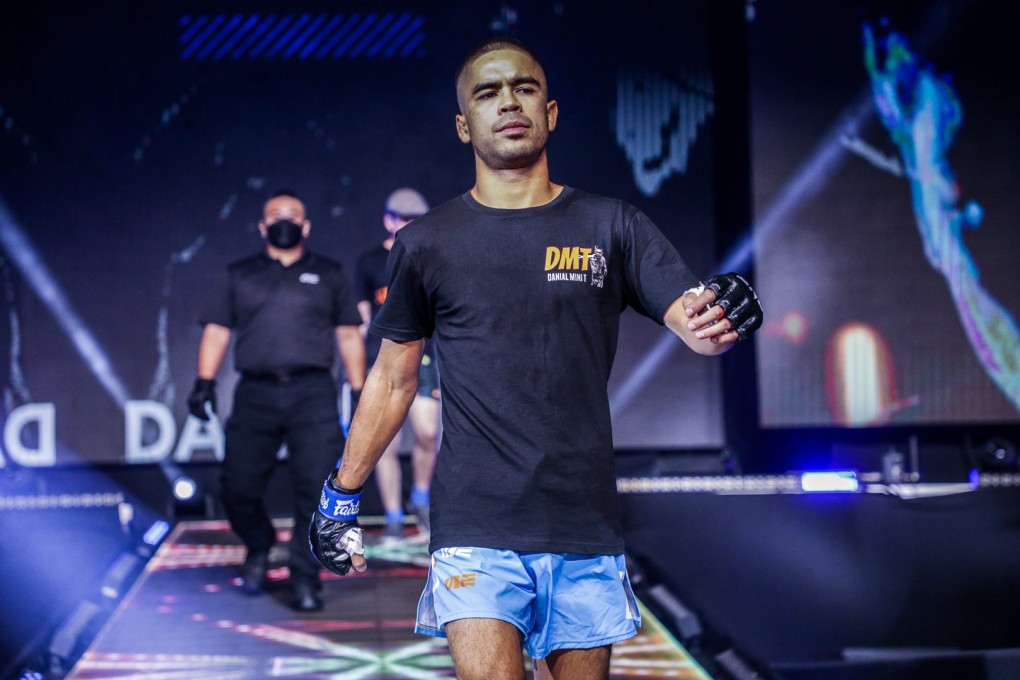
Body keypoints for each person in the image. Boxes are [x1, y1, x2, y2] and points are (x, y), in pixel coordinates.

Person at [309, 38, 763, 678]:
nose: (508, 103)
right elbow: (391, 380)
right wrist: (340, 495)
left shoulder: (612, 225)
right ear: (465, 125)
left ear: (550, 112)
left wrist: (719, 321)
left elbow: (693, 321)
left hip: (582, 522)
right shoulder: (425, 243)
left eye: (523, 88)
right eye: (487, 93)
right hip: (476, 522)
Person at [189, 190, 365, 612]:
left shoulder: (329, 273)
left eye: (293, 216)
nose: (284, 221)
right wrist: (204, 382)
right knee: (238, 487)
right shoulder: (240, 274)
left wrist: (360, 391)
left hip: (313, 393)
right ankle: (259, 544)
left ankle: (305, 577)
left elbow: (347, 333)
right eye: (276, 216)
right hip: (256, 393)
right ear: (262, 226)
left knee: (315, 490)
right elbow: (216, 330)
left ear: (306, 226)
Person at [354, 187, 440, 540]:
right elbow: (361, 319)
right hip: (382, 358)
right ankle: (392, 514)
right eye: (404, 219)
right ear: (389, 220)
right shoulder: (370, 262)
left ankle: (420, 497)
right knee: (384, 441)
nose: (410, 225)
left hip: (422, 356)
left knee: (428, 432)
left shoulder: (431, 256)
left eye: (416, 220)